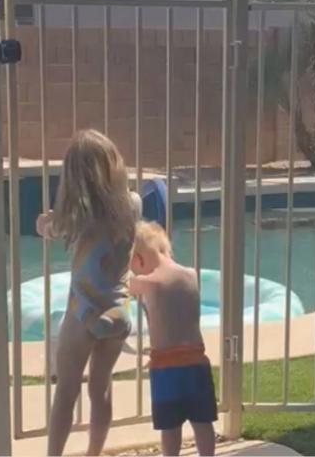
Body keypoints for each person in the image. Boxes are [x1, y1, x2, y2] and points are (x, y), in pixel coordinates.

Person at [37, 129, 141, 456]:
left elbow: (45, 229)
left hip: (83, 313)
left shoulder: (74, 217)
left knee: (66, 392)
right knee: (101, 388)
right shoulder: (132, 204)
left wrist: (46, 221)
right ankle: (94, 453)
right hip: (119, 312)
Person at [129, 221, 217, 456]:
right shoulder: (191, 275)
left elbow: (120, 287)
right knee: (202, 421)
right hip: (197, 362)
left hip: (166, 367)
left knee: (170, 426)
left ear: (138, 260)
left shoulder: (146, 283)